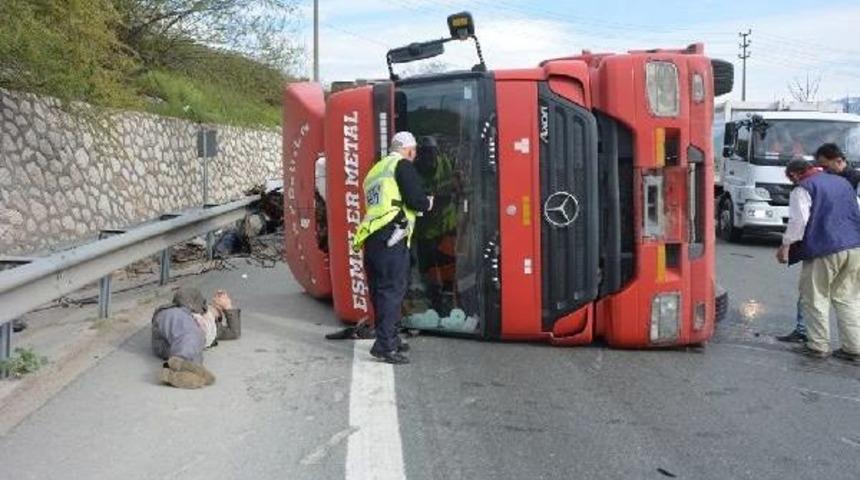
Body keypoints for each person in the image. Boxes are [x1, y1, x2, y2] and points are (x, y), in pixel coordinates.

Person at [352, 131, 433, 364]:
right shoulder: (402, 166)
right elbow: (415, 200)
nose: (415, 155)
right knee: (392, 291)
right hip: (392, 236)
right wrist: (427, 202)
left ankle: (390, 338)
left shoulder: (375, 171)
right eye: (414, 151)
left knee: (380, 291)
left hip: (373, 237)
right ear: (408, 150)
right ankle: (385, 346)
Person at [776, 160, 860, 362]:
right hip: (855, 246)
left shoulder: (803, 188)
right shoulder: (843, 183)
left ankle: (818, 346)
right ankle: (853, 348)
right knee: (848, 298)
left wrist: (785, 246)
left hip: (824, 248)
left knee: (815, 297)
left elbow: (798, 222)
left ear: (795, 175)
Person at [151, 287, 242, 388]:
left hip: (173, 347)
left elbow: (234, 332)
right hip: (174, 319)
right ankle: (183, 365)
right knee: (191, 333)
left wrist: (228, 306)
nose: (219, 310)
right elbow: (181, 294)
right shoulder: (197, 303)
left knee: (196, 343)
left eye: (221, 312)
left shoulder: (215, 330)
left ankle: (173, 374)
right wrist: (202, 309)